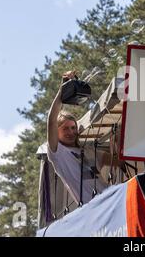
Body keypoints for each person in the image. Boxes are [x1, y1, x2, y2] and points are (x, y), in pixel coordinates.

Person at [47, 71, 107, 205]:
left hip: (110, 198)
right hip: (93, 207)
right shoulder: (58, 153)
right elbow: (51, 120)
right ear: (56, 132)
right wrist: (62, 90)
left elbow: (116, 160)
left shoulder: (88, 151)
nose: (71, 132)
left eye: (73, 128)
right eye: (65, 129)